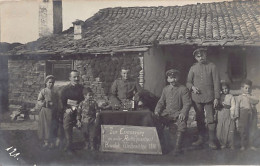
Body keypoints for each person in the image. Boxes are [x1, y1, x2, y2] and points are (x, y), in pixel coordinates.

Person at [186, 48, 220, 149]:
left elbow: (216, 83)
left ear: (206, 55)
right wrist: (192, 87)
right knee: (199, 119)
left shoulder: (212, 66)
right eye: (198, 56)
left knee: (210, 120)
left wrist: (216, 97)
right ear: (196, 58)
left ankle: (211, 140)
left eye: (202, 55)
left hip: (209, 97)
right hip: (196, 98)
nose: (201, 58)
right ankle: (201, 139)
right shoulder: (193, 68)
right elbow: (188, 82)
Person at [154, 69, 192, 155]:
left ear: (178, 78)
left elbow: (187, 103)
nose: (173, 80)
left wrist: (183, 113)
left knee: (181, 125)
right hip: (167, 113)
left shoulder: (183, 89)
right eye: (171, 78)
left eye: (175, 78)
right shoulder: (165, 89)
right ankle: (162, 146)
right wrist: (157, 111)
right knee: (157, 123)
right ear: (167, 79)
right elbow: (161, 102)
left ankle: (177, 148)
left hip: (178, 113)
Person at [59, 70, 84, 153]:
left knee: (88, 120)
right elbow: (61, 102)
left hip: (80, 109)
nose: (77, 79)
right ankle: (69, 143)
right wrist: (66, 108)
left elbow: (84, 100)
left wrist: (80, 106)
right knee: (67, 121)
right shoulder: (65, 89)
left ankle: (88, 142)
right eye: (74, 77)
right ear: (70, 78)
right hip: (69, 110)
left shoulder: (82, 88)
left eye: (78, 77)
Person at [236, 79, 259, 151]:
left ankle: (251, 144)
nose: (247, 90)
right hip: (243, 113)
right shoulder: (239, 97)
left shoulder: (252, 96)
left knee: (252, 128)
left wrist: (248, 96)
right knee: (243, 129)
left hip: (252, 113)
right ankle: (243, 145)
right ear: (242, 88)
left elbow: (256, 101)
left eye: (249, 88)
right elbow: (237, 106)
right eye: (246, 88)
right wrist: (236, 115)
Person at [37, 75, 58, 149]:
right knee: (46, 127)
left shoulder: (55, 92)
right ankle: (46, 142)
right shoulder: (43, 91)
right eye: (49, 82)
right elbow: (39, 101)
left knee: (52, 126)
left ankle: (51, 141)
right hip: (45, 112)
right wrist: (47, 103)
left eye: (52, 83)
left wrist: (57, 106)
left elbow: (58, 101)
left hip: (53, 112)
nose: (51, 84)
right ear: (46, 83)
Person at [216, 82, 237, 149]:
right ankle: (223, 143)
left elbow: (233, 106)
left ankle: (230, 144)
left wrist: (232, 113)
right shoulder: (219, 96)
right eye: (223, 89)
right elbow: (216, 106)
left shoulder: (231, 96)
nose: (224, 90)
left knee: (228, 128)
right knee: (220, 129)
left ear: (228, 89)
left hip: (228, 114)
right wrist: (218, 105)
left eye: (226, 88)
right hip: (221, 113)